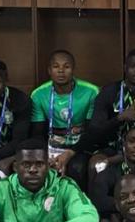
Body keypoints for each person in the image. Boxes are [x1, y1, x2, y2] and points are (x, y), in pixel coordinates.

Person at [76, 49, 135, 177]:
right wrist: (119, 118)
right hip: (111, 148)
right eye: (134, 66)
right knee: (95, 165)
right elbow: (94, 130)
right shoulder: (109, 92)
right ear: (125, 67)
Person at [29, 50, 99, 188]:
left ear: (73, 69)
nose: (61, 71)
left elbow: (92, 132)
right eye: (56, 66)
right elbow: (37, 132)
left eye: (66, 67)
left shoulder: (91, 91)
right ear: (49, 70)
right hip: (51, 144)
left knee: (76, 168)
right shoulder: (38, 94)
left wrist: (69, 153)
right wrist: (45, 156)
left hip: (80, 144)